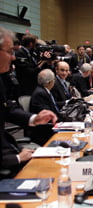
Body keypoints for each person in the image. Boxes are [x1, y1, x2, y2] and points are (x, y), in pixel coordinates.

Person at [0, 27, 57, 177]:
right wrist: (16, 158)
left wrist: (34, 118)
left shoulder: (1, 79)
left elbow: (8, 109)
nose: (13, 58)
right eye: (9, 51)